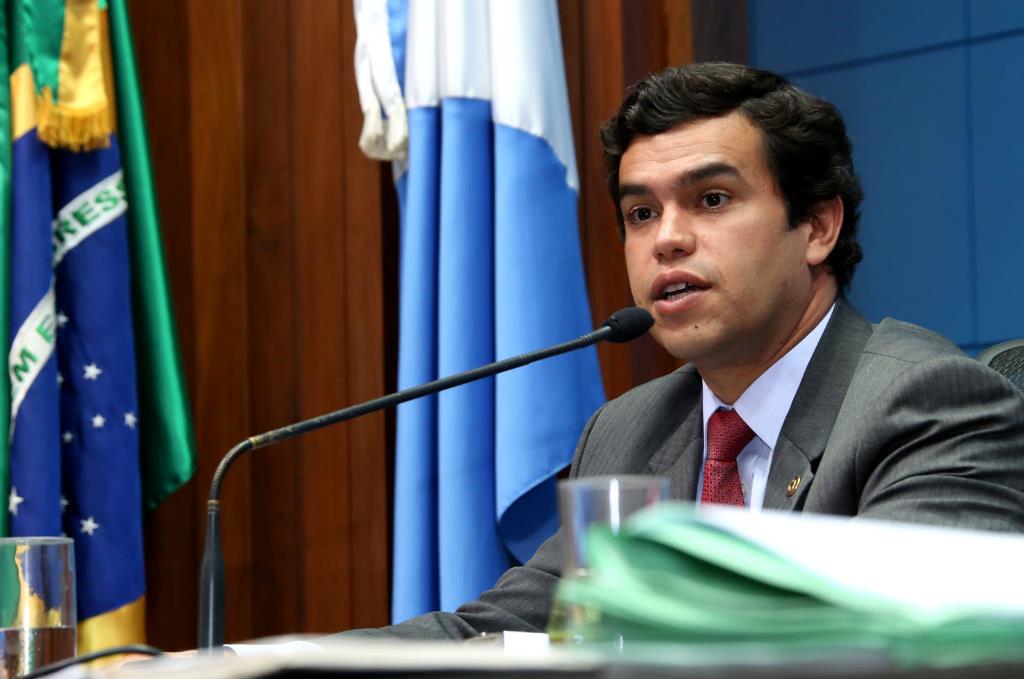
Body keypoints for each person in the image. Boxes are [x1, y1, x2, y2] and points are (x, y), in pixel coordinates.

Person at [345, 61, 1024, 639]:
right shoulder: (627, 430)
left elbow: (903, 648)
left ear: (817, 227)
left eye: (712, 198)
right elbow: (496, 631)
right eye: (641, 213)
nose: (666, 239)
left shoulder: (927, 405)